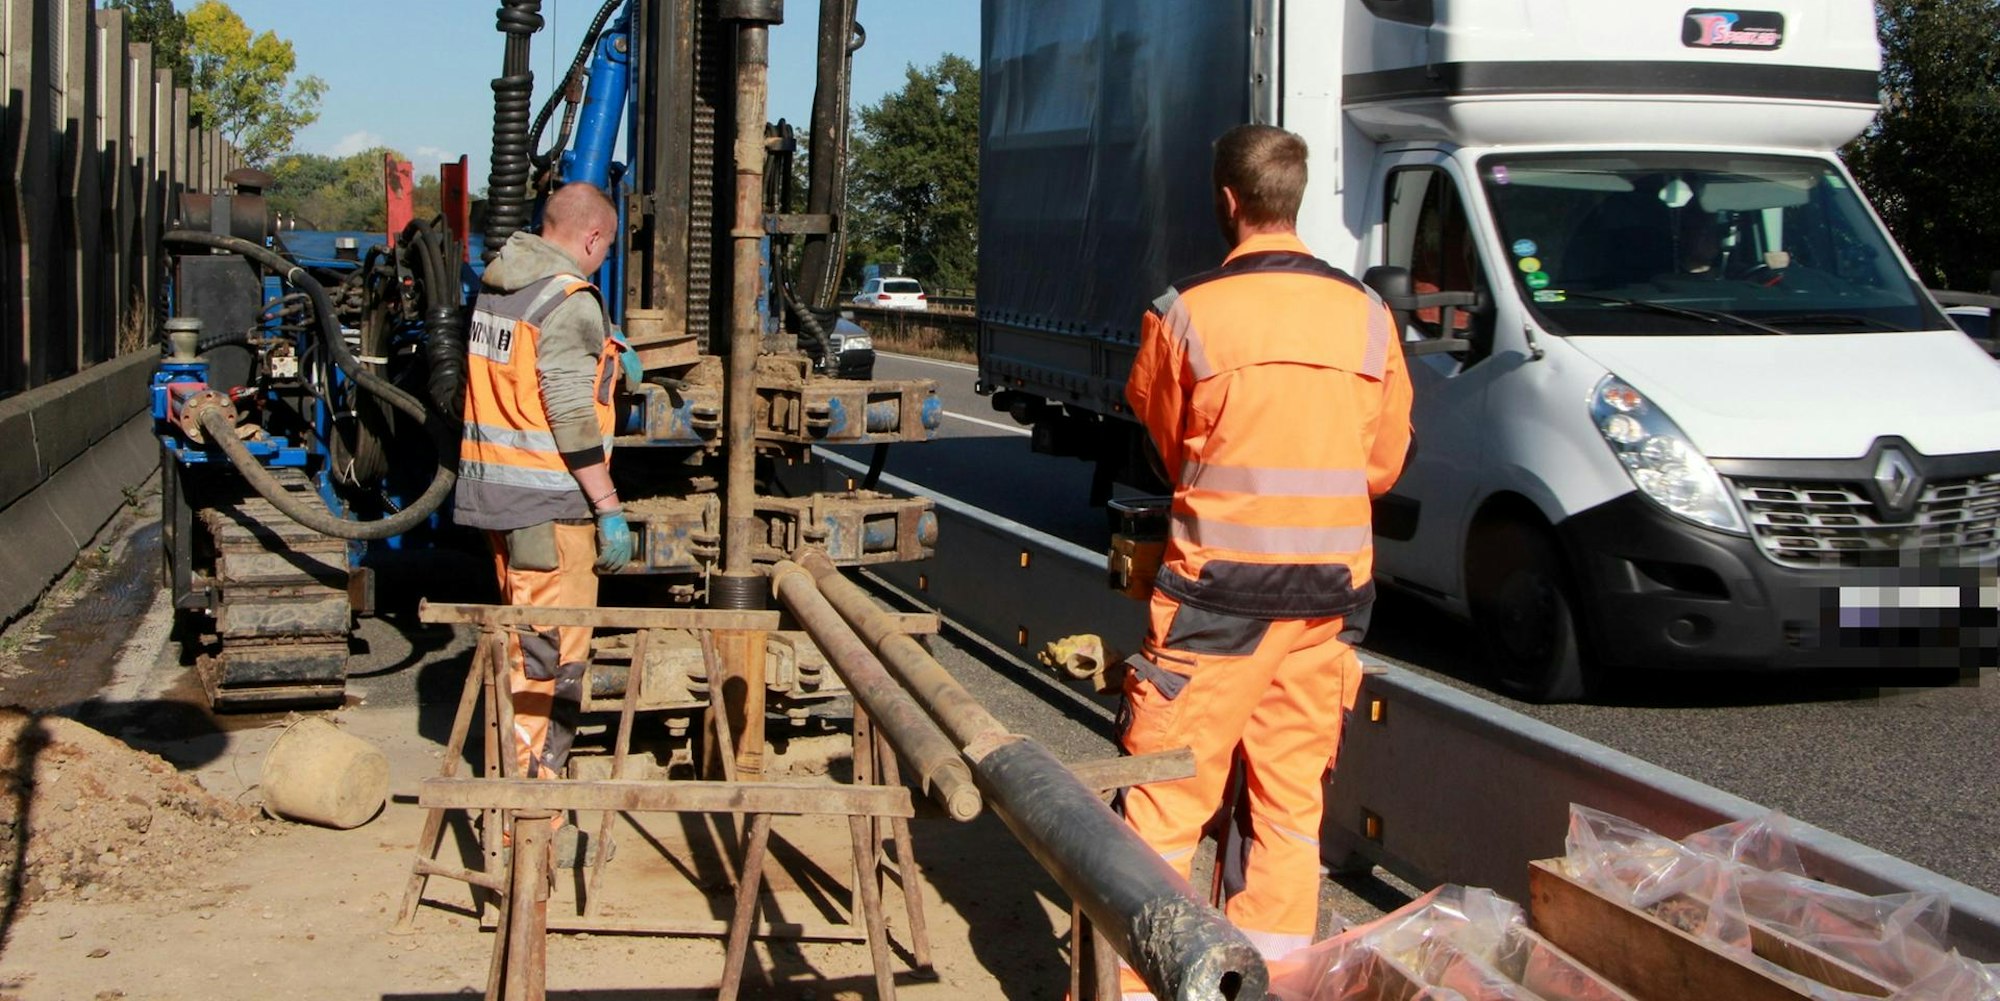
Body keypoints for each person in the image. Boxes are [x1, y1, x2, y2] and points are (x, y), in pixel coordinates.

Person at [1119, 124, 1414, 990]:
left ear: (1227, 200)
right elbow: (1383, 463)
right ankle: (1269, 983)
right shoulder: (1368, 315)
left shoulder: (1184, 311)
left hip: (1215, 604)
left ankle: (1133, 986)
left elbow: (1169, 446)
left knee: (1165, 805)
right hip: (1327, 602)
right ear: (1296, 198)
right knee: (1288, 811)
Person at [455, 182, 635, 818]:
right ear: (592, 237)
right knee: (550, 661)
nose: (601, 261)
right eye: (605, 250)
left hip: (503, 499)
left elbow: (524, 374)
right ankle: (530, 821)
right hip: (552, 508)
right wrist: (608, 506)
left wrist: (609, 354)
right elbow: (567, 412)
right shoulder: (569, 300)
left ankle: (521, 795)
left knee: (523, 645)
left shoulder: (502, 286)